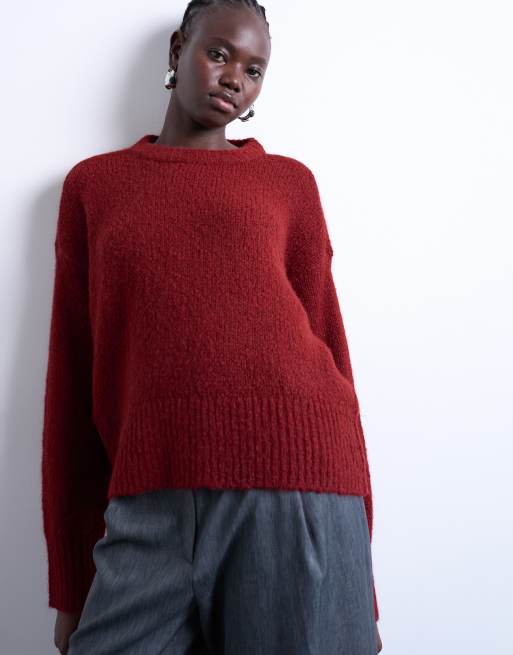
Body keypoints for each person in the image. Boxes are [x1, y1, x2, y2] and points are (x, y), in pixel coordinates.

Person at [41, 1, 383, 653]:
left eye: (254, 70)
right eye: (219, 54)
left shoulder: (288, 185)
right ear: (178, 50)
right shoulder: (95, 186)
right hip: (150, 494)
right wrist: (71, 583)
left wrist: (355, 577)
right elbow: (72, 381)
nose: (234, 79)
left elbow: (331, 350)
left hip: (293, 483)